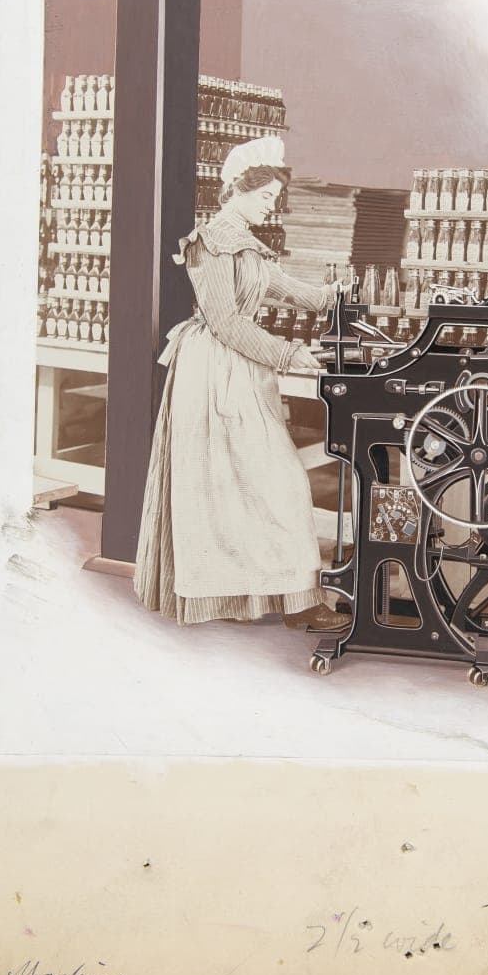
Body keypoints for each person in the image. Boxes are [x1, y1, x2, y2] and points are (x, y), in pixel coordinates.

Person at [133, 135, 347, 631]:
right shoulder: (209, 243)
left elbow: (288, 290)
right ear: (237, 190)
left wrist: (336, 295)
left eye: (275, 199)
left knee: (257, 484)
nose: (271, 208)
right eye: (266, 197)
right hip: (212, 373)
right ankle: (282, 601)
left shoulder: (247, 244)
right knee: (245, 484)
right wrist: (289, 353)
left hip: (243, 370)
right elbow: (226, 322)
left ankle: (292, 598)